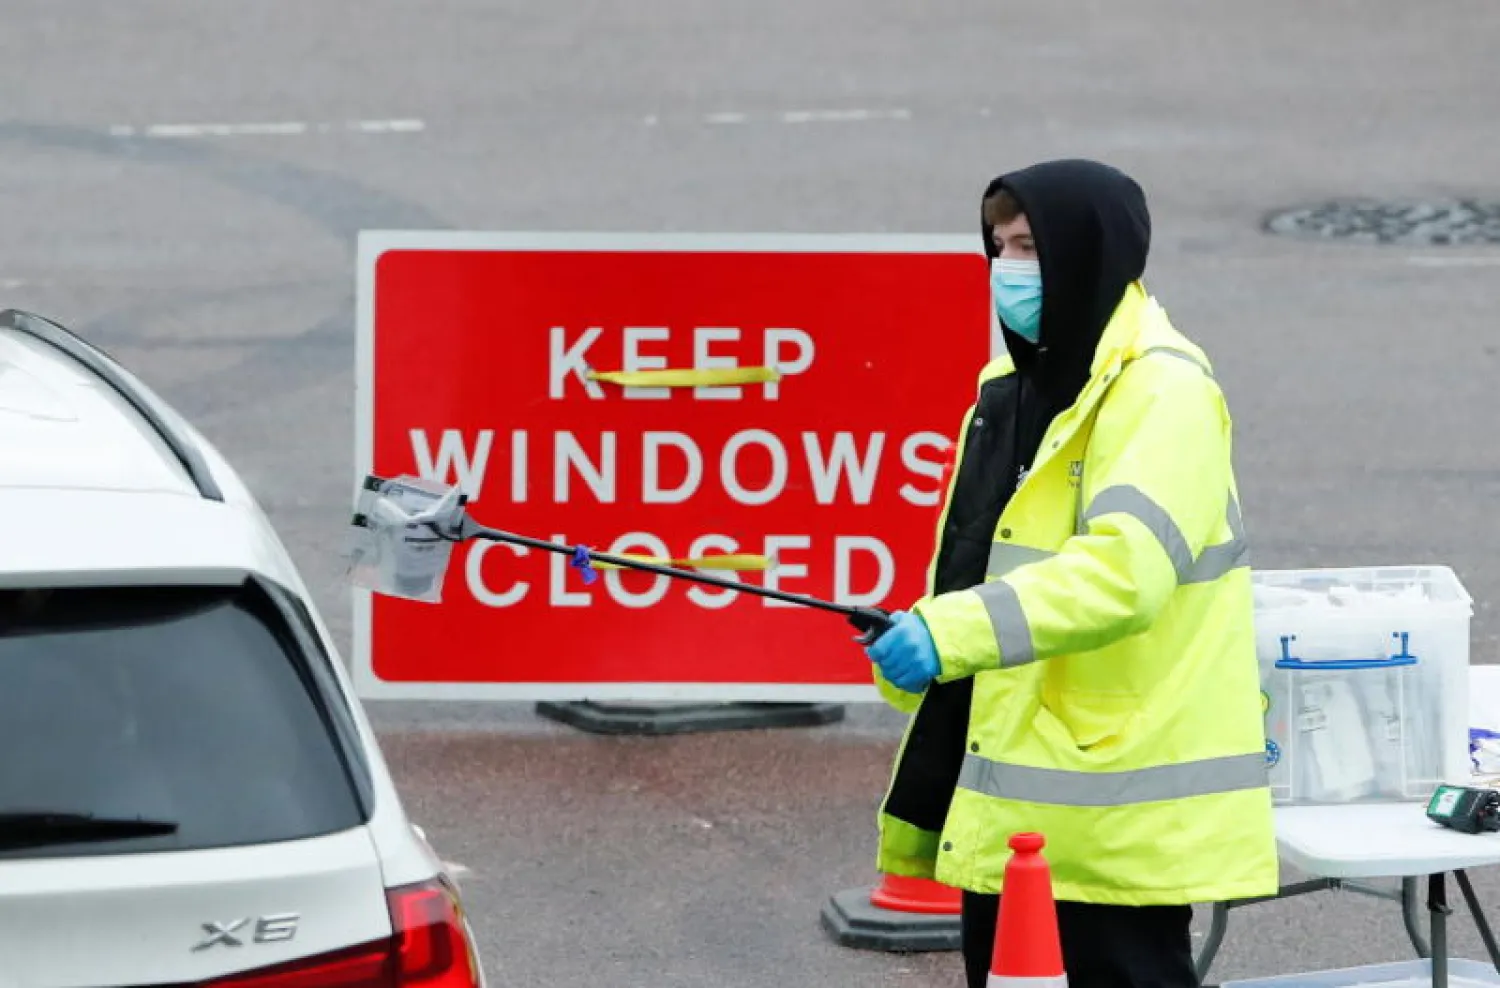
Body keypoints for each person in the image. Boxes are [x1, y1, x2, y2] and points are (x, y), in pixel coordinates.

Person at [863, 158, 1278, 988]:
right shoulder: (1013, 386)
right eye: (999, 247)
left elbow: (1125, 572)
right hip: (1020, 810)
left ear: (1092, 251)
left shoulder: (1161, 392)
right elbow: (985, 557)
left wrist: (949, 634)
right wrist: (920, 633)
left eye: (1031, 246)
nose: (1009, 268)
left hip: (1113, 809)